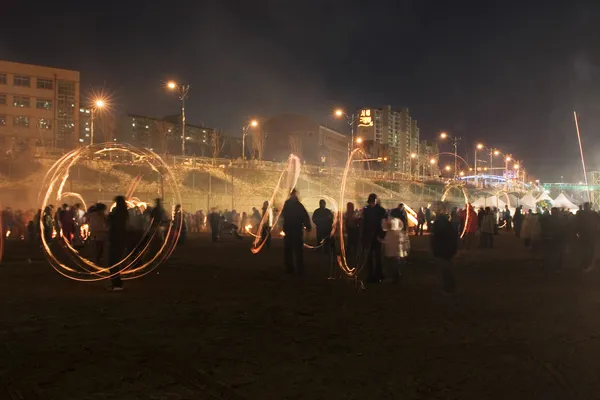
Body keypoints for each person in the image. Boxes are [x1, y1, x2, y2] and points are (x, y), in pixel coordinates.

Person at [281, 189, 311, 275]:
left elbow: (283, 215)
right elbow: (304, 215)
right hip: (295, 230)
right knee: (296, 249)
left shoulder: (288, 204)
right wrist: (307, 225)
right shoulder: (298, 205)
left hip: (290, 229)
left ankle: (291, 267)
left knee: (290, 249)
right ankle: (297, 266)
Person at [430, 206, 459, 295]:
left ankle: (446, 288)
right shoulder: (450, 227)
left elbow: (433, 241)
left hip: (440, 253)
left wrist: (434, 251)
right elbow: (455, 239)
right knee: (448, 271)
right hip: (448, 253)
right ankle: (450, 288)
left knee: (443, 272)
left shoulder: (437, 229)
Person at [361, 193, 387, 284]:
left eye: (373, 202)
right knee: (369, 257)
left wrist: (382, 236)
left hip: (377, 236)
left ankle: (379, 274)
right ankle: (371, 274)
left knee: (378, 256)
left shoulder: (381, 211)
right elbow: (364, 224)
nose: (371, 203)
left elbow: (384, 225)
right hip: (369, 236)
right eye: (371, 202)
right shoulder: (366, 210)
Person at [107, 196, 129, 291]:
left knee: (113, 263)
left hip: (116, 238)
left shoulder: (116, 212)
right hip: (121, 238)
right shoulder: (125, 212)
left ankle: (117, 285)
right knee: (115, 263)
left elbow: (109, 221)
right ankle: (117, 284)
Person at [381, 216, 410, 283]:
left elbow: (387, 241)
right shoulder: (401, 233)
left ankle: (395, 278)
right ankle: (397, 277)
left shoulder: (390, 233)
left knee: (393, 265)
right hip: (398, 253)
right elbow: (405, 242)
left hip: (392, 252)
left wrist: (380, 240)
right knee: (396, 265)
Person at [575, 202, 598, 272]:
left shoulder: (580, 214)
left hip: (584, 233)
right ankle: (589, 263)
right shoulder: (593, 213)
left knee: (585, 248)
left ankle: (586, 263)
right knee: (590, 249)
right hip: (590, 233)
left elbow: (577, 222)